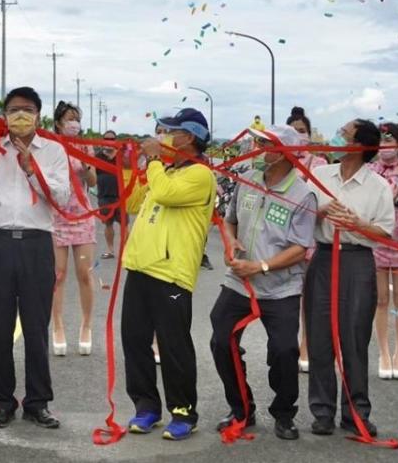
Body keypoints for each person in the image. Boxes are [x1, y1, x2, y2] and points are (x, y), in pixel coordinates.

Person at [0, 86, 71, 430]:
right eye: (14, 110)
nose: (20, 115)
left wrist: (31, 169)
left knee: (35, 327)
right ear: (5, 114)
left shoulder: (54, 151)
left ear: (38, 115)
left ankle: (38, 402)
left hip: (37, 244)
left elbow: (61, 198)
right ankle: (2, 400)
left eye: (27, 109)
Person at [211, 124, 316, 441]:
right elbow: (229, 222)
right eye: (255, 142)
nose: (255, 148)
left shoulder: (303, 194)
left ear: (284, 153)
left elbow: (301, 247)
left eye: (262, 144)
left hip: (280, 288)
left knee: (284, 351)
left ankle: (284, 414)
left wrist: (261, 265)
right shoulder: (247, 181)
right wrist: (230, 245)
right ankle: (242, 408)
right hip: (238, 283)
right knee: (221, 341)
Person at [122, 108, 216, 441]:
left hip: (172, 275)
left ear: (188, 137)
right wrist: (137, 166)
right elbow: (133, 202)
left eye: (168, 131)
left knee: (174, 345)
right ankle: (146, 407)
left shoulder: (200, 175)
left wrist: (153, 162)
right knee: (134, 342)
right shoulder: (165, 170)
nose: (161, 136)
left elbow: (165, 195)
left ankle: (183, 412)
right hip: (140, 267)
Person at [305, 118, 393, 437]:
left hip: (358, 262)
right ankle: (322, 411)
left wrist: (357, 223)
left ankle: (356, 411)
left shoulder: (379, 186)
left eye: (344, 133)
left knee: (355, 337)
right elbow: (299, 215)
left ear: (358, 146)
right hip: (324, 257)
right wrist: (320, 210)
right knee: (319, 337)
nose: (336, 136)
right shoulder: (319, 175)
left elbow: (385, 233)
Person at [369, 122, 398, 381]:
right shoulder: (369, 171)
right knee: (380, 300)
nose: (385, 146)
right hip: (376, 243)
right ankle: (383, 352)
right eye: (381, 141)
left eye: (390, 141)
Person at [50, 101, 98, 357]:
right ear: (58, 122)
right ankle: (57, 326)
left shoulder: (86, 145)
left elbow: (92, 180)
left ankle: (86, 326)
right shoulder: (49, 146)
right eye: (70, 118)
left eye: (77, 118)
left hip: (82, 214)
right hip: (56, 215)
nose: (74, 123)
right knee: (57, 275)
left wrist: (85, 159)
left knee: (84, 272)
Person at [287, 105, 326, 373]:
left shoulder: (320, 164)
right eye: (292, 132)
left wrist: (310, 211)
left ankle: (306, 345)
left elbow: (325, 203)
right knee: (287, 297)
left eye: (302, 132)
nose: (298, 136)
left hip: (310, 241)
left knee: (309, 298)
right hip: (282, 241)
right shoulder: (279, 161)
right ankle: (288, 345)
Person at [95, 130, 121, 258]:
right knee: (108, 224)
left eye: (112, 139)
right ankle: (111, 250)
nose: (109, 141)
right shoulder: (97, 156)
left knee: (124, 225)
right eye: (106, 139)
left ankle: (125, 250)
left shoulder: (121, 156)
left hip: (121, 196)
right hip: (104, 196)